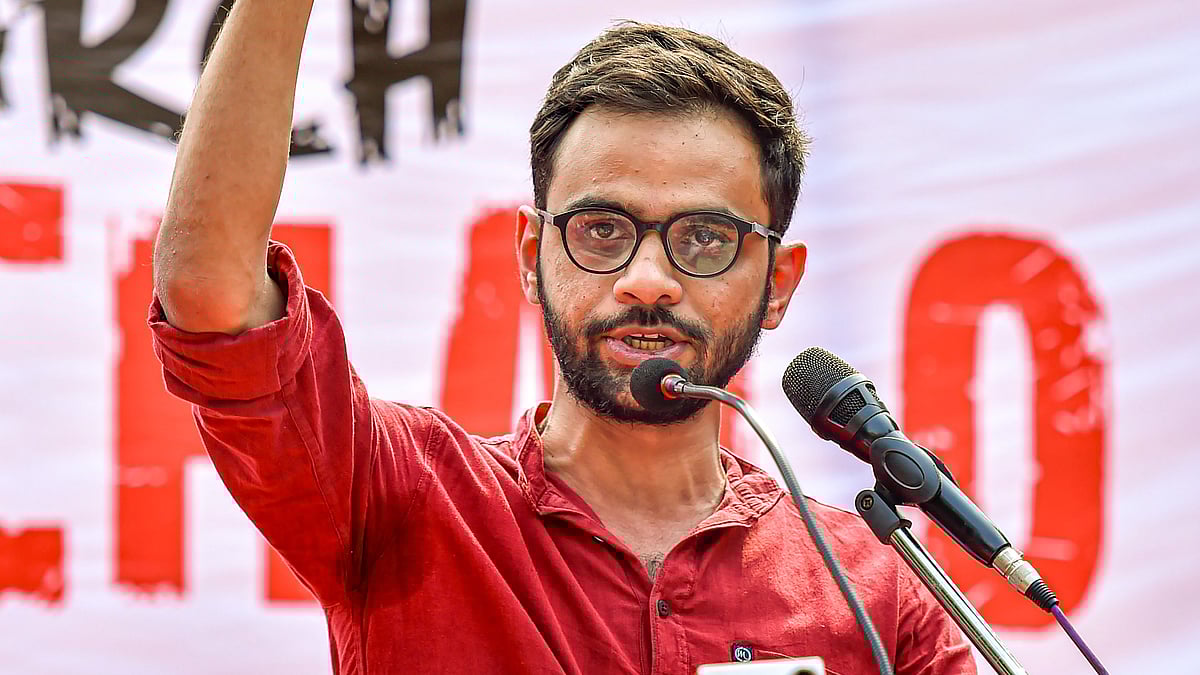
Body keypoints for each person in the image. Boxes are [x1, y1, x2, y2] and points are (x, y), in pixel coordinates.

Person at [149, 2, 976, 673]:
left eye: (704, 238)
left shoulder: (873, 589)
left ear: (779, 284)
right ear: (529, 255)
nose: (647, 279)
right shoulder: (405, 494)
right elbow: (211, 292)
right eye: (602, 229)